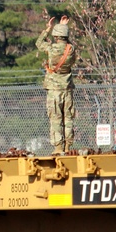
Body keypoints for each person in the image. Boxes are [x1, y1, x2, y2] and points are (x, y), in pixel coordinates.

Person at [36, 15, 78, 156]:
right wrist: (63, 27)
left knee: (55, 118)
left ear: (55, 36)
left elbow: (39, 43)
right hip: (67, 89)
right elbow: (69, 47)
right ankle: (68, 146)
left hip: (54, 90)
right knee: (68, 118)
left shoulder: (51, 48)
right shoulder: (70, 49)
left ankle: (58, 147)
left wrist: (48, 28)